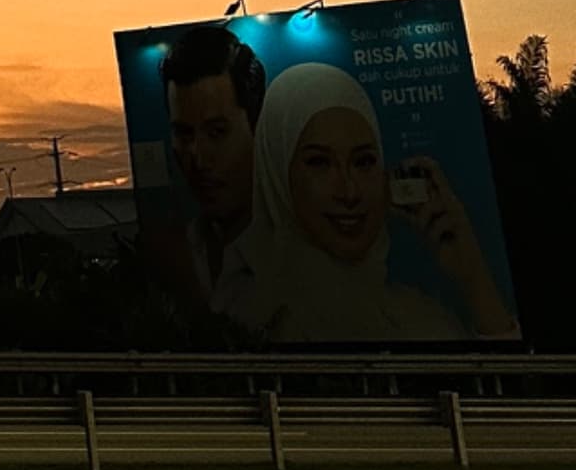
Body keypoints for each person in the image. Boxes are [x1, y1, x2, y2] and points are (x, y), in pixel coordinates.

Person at [246, 60, 519, 344]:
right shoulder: (251, 318)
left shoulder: (418, 316)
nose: (349, 192)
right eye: (320, 163)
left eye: (363, 162)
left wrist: (472, 275)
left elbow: (504, 380)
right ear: (277, 174)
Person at [159, 24, 267, 324]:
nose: (197, 156)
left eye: (216, 132)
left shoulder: (302, 254)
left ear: (257, 128)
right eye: (184, 134)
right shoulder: (177, 255)